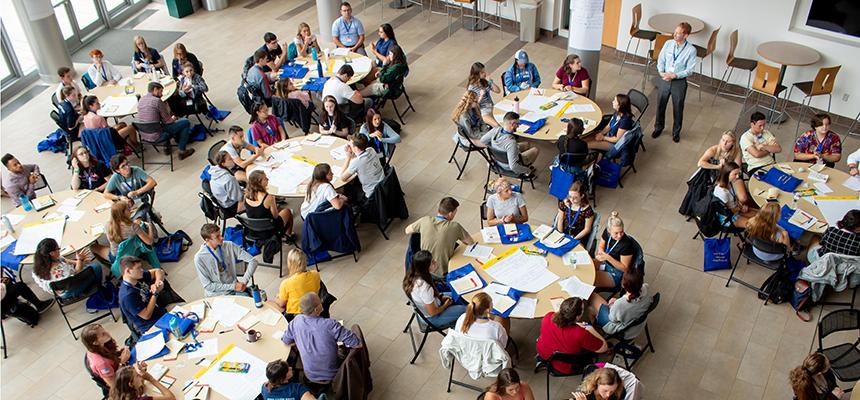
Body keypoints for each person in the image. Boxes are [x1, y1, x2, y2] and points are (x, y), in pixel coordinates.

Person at [281, 292, 362, 383]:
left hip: (310, 375)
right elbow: (356, 343)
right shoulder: (330, 325)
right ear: (316, 310)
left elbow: (286, 340)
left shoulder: (296, 321)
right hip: (333, 375)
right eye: (320, 302)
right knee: (342, 350)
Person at [536, 297, 609, 375]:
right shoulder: (581, 333)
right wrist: (590, 328)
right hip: (564, 366)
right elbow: (604, 348)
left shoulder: (548, 316)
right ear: (577, 317)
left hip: (544, 353)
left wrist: (577, 325)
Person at [405, 197, 475, 276]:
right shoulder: (455, 226)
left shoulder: (425, 220)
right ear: (450, 214)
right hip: (443, 273)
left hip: (424, 269)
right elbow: (470, 242)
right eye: (455, 212)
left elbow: (407, 230)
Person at [652, 22, 697, 143]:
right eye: (675, 32)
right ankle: (658, 127)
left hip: (678, 82)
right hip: (665, 79)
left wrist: (675, 75)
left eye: (678, 33)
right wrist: (661, 72)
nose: (675, 35)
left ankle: (676, 132)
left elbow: (690, 70)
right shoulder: (668, 43)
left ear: (686, 35)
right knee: (660, 105)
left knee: (678, 108)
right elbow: (661, 59)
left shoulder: (691, 50)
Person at [403, 250, 466, 328]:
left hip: (433, 303)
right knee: (466, 309)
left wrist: (440, 297)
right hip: (433, 318)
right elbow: (433, 312)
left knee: (457, 293)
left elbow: (431, 297)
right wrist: (446, 305)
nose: (435, 262)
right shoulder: (424, 288)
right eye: (432, 262)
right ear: (425, 268)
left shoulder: (413, 275)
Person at [194, 223, 258, 297]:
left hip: (234, 290)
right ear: (207, 240)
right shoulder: (199, 258)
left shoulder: (229, 245)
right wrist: (233, 286)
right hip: (216, 295)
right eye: (217, 237)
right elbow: (208, 286)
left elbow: (253, 261)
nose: (222, 238)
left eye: (220, 234)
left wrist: (244, 282)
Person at [137, 82, 195, 160]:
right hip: (158, 135)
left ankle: (167, 147)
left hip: (145, 135)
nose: (162, 94)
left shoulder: (141, 100)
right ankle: (182, 151)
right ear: (155, 89)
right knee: (185, 122)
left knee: (162, 125)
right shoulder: (157, 101)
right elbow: (168, 121)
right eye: (161, 91)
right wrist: (174, 117)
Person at [31, 238, 105, 298]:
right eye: (58, 248)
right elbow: (77, 272)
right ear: (51, 253)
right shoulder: (62, 270)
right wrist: (80, 260)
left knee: (86, 266)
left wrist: (77, 262)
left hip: (57, 290)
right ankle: (96, 289)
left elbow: (64, 260)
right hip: (69, 289)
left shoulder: (37, 267)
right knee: (95, 267)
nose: (59, 249)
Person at [589, 269, 652, 336]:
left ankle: (596, 333)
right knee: (593, 307)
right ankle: (595, 326)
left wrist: (611, 305)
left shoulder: (620, 304)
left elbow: (612, 319)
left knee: (591, 303)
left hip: (621, 329)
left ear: (623, 285)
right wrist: (616, 303)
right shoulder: (646, 287)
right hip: (636, 322)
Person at [118, 256, 167, 334]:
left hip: (160, 312)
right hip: (151, 325)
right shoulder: (128, 296)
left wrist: (157, 283)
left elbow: (158, 271)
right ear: (128, 271)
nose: (142, 270)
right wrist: (155, 293)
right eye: (138, 268)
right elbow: (147, 315)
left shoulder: (137, 277)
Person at [245, 170, 296, 239]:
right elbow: (275, 216)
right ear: (259, 183)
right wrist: (273, 202)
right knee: (287, 211)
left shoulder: (247, 195)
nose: (268, 179)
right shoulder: (268, 198)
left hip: (254, 228)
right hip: (269, 229)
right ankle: (288, 236)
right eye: (265, 179)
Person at [593, 212, 637, 290]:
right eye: (616, 233)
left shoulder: (627, 245)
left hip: (616, 272)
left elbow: (624, 268)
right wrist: (601, 253)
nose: (619, 235)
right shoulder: (606, 233)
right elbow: (601, 246)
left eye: (621, 232)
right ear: (609, 230)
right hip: (605, 263)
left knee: (591, 278)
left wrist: (608, 258)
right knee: (585, 267)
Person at [82, 324, 130, 390]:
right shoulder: (101, 363)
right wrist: (122, 363)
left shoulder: (99, 347)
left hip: (119, 369)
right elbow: (114, 384)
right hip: (120, 383)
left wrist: (119, 354)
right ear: (95, 342)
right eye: (103, 334)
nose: (108, 333)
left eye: (105, 331)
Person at [274, 249, 320, 316]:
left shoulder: (286, 283)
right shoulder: (316, 274)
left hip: (295, 315)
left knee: (271, 304)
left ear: (290, 264)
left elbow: (281, 303)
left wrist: (276, 298)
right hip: (313, 309)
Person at [340, 133, 385, 202]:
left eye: (350, 145)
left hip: (372, 195)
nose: (349, 145)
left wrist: (348, 157)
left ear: (356, 148)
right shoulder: (371, 150)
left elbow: (342, 178)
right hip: (383, 185)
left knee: (347, 189)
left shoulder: (356, 162)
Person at [713, 161, 755, 228]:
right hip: (728, 217)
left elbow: (735, 198)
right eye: (735, 174)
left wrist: (741, 205)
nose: (738, 176)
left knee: (762, 215)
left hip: (736, 210)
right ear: (727, 174)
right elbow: (725, 211)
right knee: (756, 225)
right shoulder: (722, 192)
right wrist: (740, 208)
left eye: (738, 173)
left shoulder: (730, 182)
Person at [109, 363, 176, 400]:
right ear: (131, 384)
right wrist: (151, 379)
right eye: (137, 376)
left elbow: (140, 389)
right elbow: (171, 398)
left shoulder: (118, 394)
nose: (140, 376)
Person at [209, 151, 245, 215]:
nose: (233, 159)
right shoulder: (229, 179)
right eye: (230, 159)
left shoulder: (214, 173)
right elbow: (238, 198)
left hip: (223, 204)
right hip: (233, 206)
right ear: (223, 163)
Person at [468, 62, 501, 127]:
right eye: (482, 72)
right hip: (483, 112)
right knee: (497, 126)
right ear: (476, 74)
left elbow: (498, 91)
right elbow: (472, 106)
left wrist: (490, 82)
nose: (485, 74)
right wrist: (481, 96)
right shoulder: (471, 88)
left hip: (492, 107)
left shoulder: (484, 81)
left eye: (484, 71)